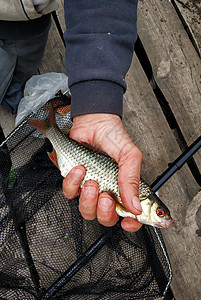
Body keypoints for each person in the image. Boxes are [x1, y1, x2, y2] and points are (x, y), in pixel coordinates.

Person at [0, 0, 143, 232]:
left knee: (16, 71)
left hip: (22, 18)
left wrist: (97, 101)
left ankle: (15, 95)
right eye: (158, 212)